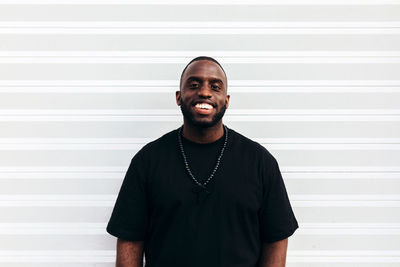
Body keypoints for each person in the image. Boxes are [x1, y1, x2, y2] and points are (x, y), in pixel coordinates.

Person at [106, 56, 299, 267]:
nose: (205, 92)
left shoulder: (260, 162)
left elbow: (276, 238)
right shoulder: (147, 161)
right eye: (194, 85)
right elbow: (129, 240)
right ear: (179, 97)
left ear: (226, 100)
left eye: (215, 87)